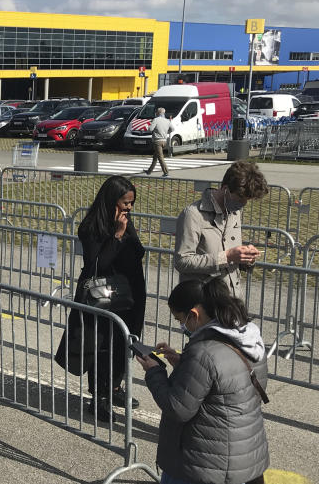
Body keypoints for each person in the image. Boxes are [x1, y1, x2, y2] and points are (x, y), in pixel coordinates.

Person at [136, 278, 269, 484]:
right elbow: (231, 386)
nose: (182, 325)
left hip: (206, 464)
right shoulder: (249, 339)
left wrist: (154, 372)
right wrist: (183, 363)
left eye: (180, 319)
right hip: (247, 458)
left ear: (194, 314)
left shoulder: (203, 352)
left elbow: (177, 408)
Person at [54, 175, 146, 421]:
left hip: (129, 292)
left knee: (124, 342)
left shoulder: (126, 221)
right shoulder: (91, 226)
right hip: (103, 295)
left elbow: (139, 252)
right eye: (125, 202)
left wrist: (126, 233)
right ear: (111, 200)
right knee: (102, 346)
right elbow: (97, 264)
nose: (128, 208)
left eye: (131, 203)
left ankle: (115, 387)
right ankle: (99, 398)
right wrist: (116, 236)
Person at [175, 160, 269, 296]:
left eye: (247, 200)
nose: (243, 204)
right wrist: (226, 256)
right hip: (205, 302)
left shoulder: (235, 212)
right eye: (240, 198)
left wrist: (246, 258)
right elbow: (182, 261)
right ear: (225, 189)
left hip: (231, 299)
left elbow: (232, 255)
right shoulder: (193, 215)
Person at [144, 107, 173, 177]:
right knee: (155, 157)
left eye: (156, 112)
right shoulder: (167, 121)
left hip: (157, 141)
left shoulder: (156, 120)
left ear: (158, 113)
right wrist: (166, 132)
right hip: (164, 141)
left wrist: (146, 126)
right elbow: (172, 129)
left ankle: (166, 172)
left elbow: (150, 129)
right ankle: (149, 171)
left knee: (160, 157)